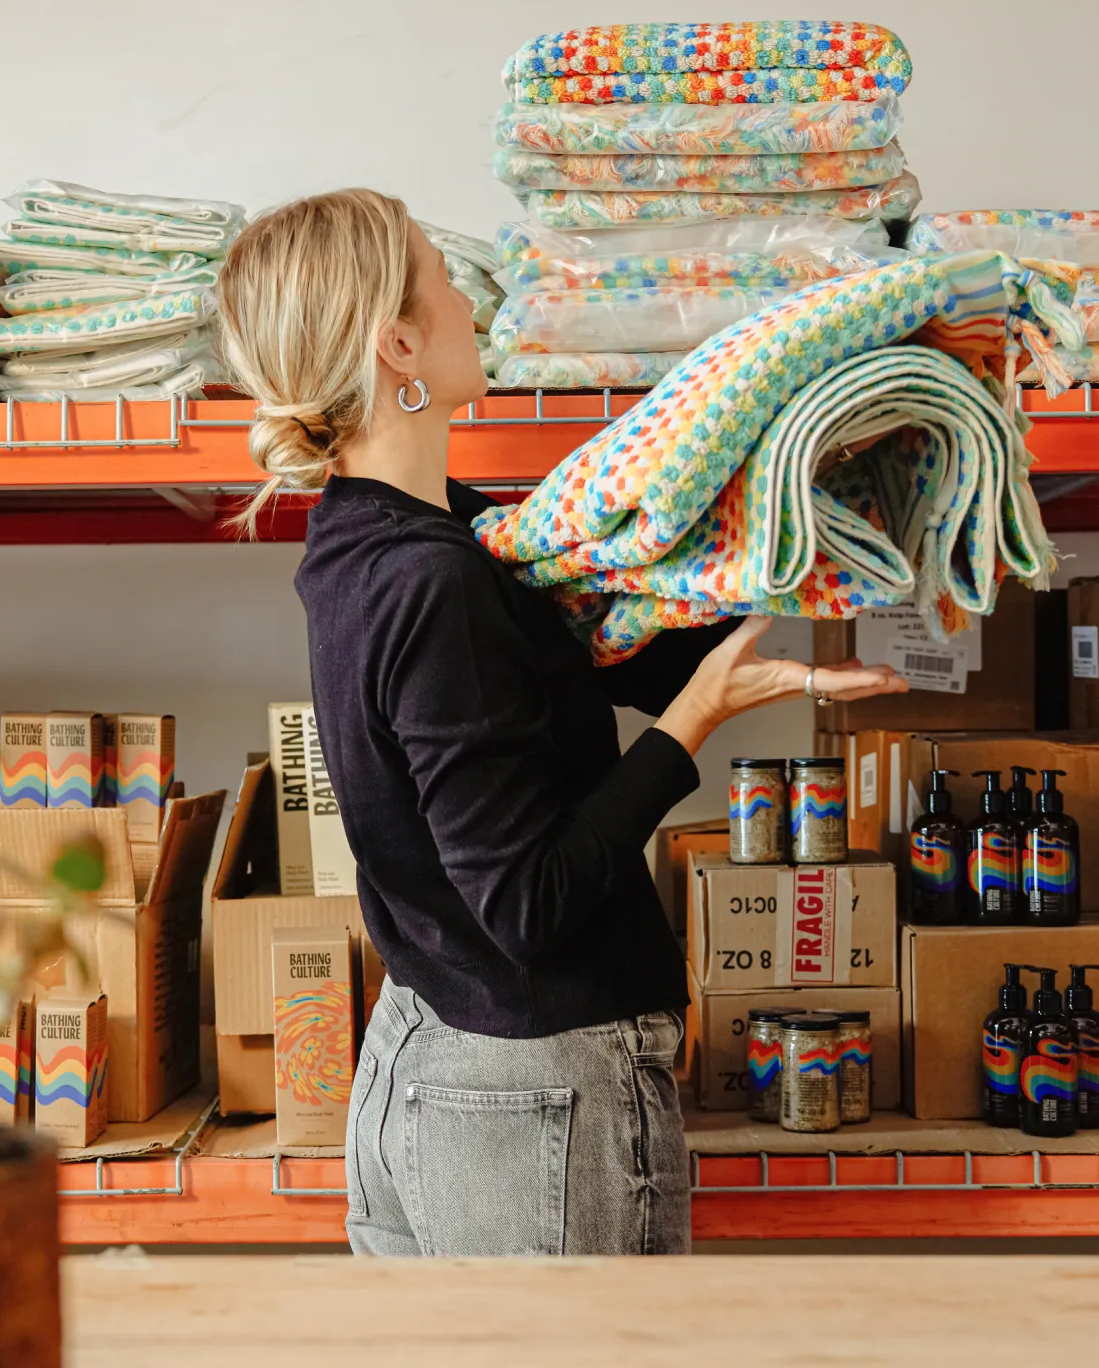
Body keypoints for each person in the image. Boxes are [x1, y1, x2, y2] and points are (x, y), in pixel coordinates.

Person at [215, 189, 907, 1256]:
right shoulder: (432, 579)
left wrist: (780, 622)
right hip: (527, 1090)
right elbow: (525, 903)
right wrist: (692, 725)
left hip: (423, 1055)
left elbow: (569, 645)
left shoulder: (383, 537)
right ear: (398, 339)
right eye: (442, 275)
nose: (469, 297)